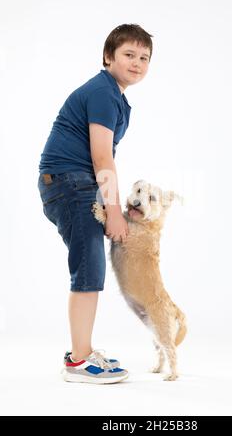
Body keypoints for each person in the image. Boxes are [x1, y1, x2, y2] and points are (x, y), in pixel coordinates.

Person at [37, 24, 153, 384]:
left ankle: (81, 352)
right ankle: (79, 361)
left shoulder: (116, 98)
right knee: (88, 266)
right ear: (108, 57)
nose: (136, 63)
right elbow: (102, 157)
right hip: (71, 183)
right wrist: (114, 212)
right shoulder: (103, 92)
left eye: (144, 58)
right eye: (128, 55)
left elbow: (103, 159)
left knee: (90, 265)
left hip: (73, 182)